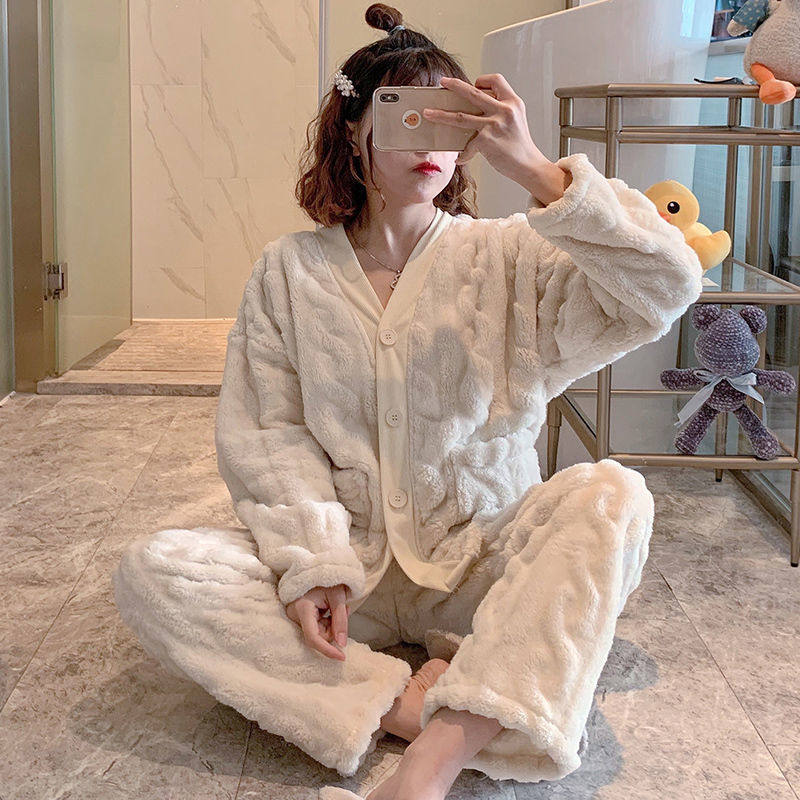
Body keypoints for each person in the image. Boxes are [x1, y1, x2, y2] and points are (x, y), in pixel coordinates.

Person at [111, 4, 705, 799]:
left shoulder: (511, 255)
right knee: (157, 572)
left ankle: (434, 759)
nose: (428, 140)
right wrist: (311, 564)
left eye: (449, 118)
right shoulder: (290, 271)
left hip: (479, 566)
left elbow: (668, 283)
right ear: (354, 128)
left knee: (613, 496)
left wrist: (537, 170)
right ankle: (404, 702)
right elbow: (270, 432)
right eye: (404, 114)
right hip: (349, 578)